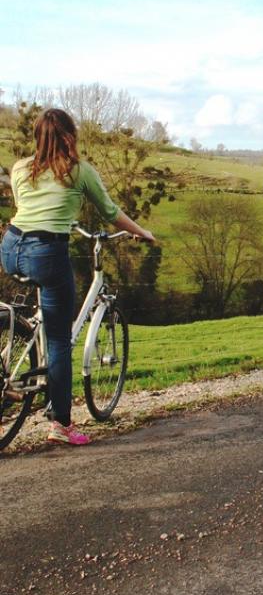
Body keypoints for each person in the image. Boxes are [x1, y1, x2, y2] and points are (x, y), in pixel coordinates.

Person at [0, 108, 155, 446]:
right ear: (70, 137)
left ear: (37, 136)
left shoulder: (20, 168)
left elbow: (26, 207)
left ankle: (26, 348)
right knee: (59, 339)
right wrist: (142, 232)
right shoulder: (80, 172)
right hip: (46, 252)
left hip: (11, 247)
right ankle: (61, 425)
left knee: (43, 316)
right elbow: (111, 212)